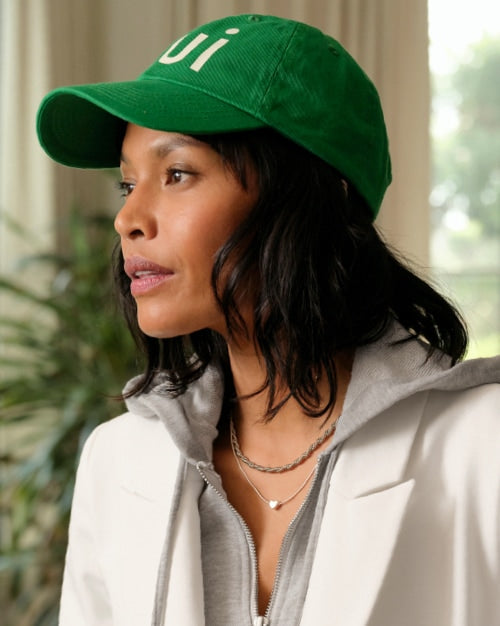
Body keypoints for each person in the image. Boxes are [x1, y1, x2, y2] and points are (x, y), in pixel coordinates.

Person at [36, 13, 500, 626]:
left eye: (177, 174)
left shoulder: (480, 448)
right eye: (127, 185)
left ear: (314, 198)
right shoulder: (118, 461)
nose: (130, 219)